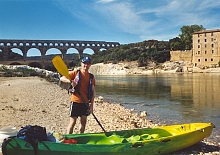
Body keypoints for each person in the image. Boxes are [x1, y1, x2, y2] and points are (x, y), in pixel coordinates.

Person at [60, 57, 95, 134]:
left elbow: (93, 93)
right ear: (81, 64)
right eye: (84, 63)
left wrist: (91, 106)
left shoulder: (91, 77)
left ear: (90, 65)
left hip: (85, 103)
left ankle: (80, 137)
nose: (86, 65)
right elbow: (62, 78)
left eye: (88, 63)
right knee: (72, 122)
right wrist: (70, 81)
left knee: (83, 123)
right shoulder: (76, 73)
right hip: (75, 101)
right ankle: (68, 139)